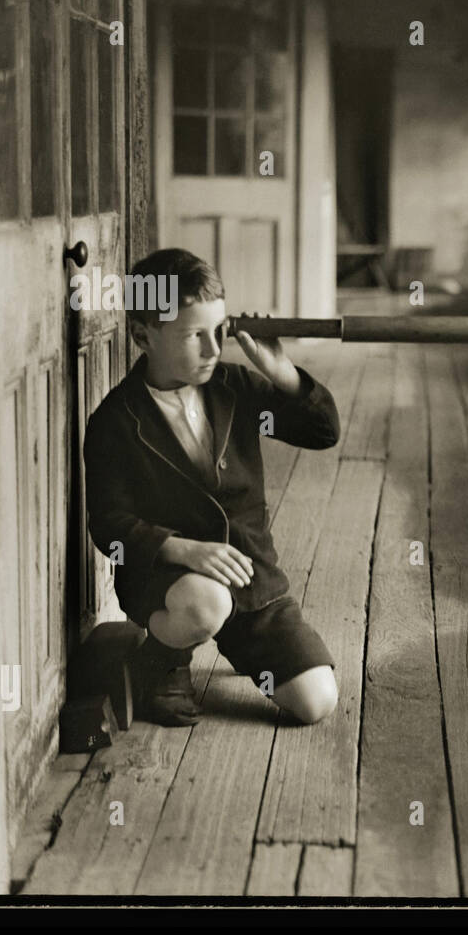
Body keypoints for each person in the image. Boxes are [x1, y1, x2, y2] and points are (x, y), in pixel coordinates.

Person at [83, 248, 340, 727]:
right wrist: (181, 551)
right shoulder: (115, 421)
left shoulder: (235, 387)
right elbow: (109, 526)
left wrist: (280, 370)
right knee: (206, 603)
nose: (213, 348)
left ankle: (232, 639)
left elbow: (322, 433)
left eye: (219, 330)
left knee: (316, 701)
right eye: (193, 335)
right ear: (143, 336)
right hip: (170, 583)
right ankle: (161, 661)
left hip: (249, 576)